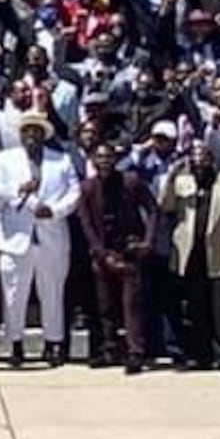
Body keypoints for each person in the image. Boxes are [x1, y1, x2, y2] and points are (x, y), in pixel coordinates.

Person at [0, 111, 81, 366]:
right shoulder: (5, 159)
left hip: (52, 235)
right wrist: (19, 192)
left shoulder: (61, 161)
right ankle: (15, 344)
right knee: (14, 294)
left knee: (52, 292)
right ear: (21, 134)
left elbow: (74, 193)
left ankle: (53, 343)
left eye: (37, 131)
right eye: (27, 131)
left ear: (44, 134)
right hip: (16, 238)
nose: (32, 136)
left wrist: (54, 211)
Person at [160, 140, 220, 374]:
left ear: (212, 159)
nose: (199, 161)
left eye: (204, 156)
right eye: (195, 156)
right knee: (195, 307)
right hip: (191, 253)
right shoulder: (183, 183)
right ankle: (201, 356)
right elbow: (166, 206)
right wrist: (171, 179)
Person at [76, 141, 157, 373]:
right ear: (93, 160)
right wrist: (101, 254)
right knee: (104, 305)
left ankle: (135, 352)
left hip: (129, 251)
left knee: (131, 305)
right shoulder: (87, 188)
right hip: (103, 254)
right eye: (99, 157)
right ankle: (109, 348)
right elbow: (86, 225)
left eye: (108, 157)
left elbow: (153, 209)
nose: (104, 162)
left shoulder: (131, 182)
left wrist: (148, 241)